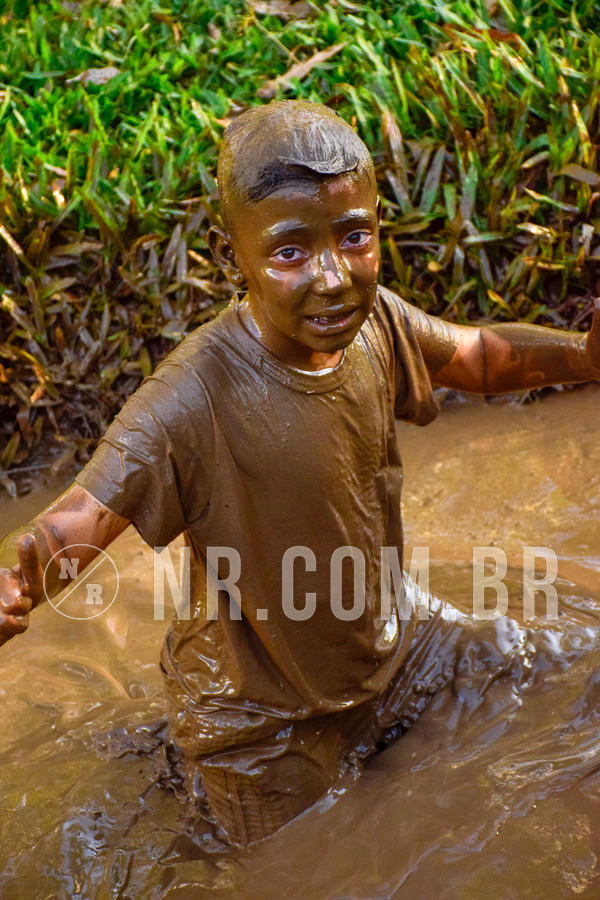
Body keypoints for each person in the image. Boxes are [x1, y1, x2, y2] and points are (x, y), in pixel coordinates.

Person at [1, 100, 599, 847]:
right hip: (259, 726)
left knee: (561, 661)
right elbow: (83, 515)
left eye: (355, 238)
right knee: (296, 870)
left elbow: (476, 357)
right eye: (290, 253)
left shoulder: (376, 320)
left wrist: (582, 357)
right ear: (234, 257)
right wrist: (16, 585)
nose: (333, 277)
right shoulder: (193, 398)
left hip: (398, 642)